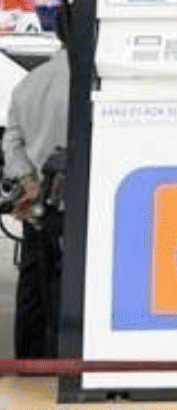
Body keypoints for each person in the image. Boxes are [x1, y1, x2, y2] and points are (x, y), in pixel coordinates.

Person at [5, 43, 69, 360]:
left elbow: (12, 143)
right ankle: (65, 362)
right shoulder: (87, 83)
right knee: (66, 288)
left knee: (33, 287)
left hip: (35, 204)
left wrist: (28, 181)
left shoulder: (28, 83)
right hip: (73, 206)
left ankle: (28, 365)